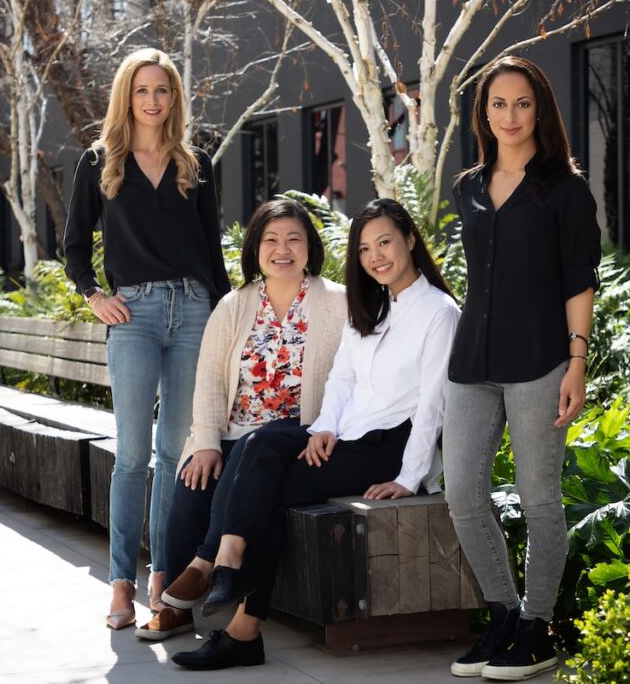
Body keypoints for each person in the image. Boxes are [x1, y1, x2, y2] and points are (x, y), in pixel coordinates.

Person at [169, 198, 460, 670]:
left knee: (271, 490)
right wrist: (324, 427)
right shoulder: (374, 306)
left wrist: (409, 477)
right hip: (347, 435)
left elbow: (433, 405)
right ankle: (226, 560)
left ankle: (238, 615)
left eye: (385, 242)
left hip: (389, 449)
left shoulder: (438, 312)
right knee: (257, 443)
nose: (376, 256)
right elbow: (343, 378)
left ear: (410, 240)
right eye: (365, 248)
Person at [443, 55, 601, 679]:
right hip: (472, 362)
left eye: (523, 103)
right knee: (462, 495)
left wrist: (576, 362)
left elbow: (578, 279)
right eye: (498, 104)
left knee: (539, 499)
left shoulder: (564, 189)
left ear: (541, 110)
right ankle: (505, 615)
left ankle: (540, 626)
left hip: (539, 360)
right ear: (484, 112)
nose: (510, 116)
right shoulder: (467, 187)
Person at [63, 48, 231, 630]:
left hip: (192, 312)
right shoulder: (99, 162)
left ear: (174, 97)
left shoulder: (197, 164)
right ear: (126, 97)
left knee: (173, 454)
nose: (153, 101)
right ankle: (120, 583)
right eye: (143, 90)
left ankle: (163, 575)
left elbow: (213, 253)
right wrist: (93, 295)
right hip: (131, 315)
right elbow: (75, 248)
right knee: (133, 456)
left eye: (163, 90)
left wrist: (226, 317)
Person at [132, 198, 347, 640]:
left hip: (295, 436)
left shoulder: (338, 303)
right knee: (192, 482)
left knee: (249, 457)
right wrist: (208, 440)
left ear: (310, 247)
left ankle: (193, 583)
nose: (282, 249)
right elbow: (209, 377)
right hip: (233, 432)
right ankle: (179, 607)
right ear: (255, 248)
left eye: (294, 239)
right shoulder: (234, 305)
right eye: (271, 239)